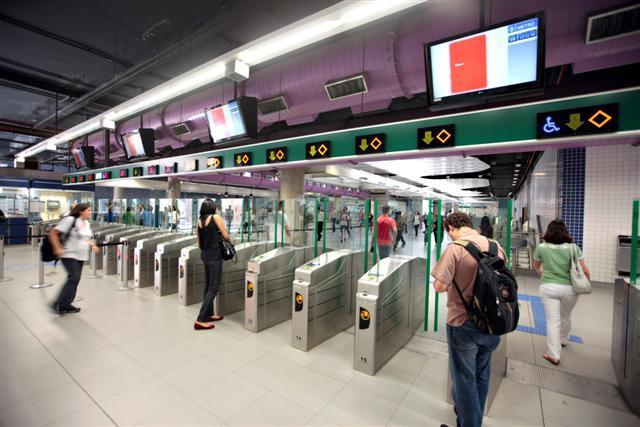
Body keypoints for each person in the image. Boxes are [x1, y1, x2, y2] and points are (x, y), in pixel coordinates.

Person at [432, 212, 507, 427]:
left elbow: (439, 286)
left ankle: (469, 423)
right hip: (492, 323)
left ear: (450, 228)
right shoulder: (495, 246)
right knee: (482, 373)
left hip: (463, 323)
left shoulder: (456, 248)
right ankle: (473, 418)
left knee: (464, 379)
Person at [532, 219, 591, 365]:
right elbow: (585, 271)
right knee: (565, 315)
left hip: (548, 287)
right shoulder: (574, 248)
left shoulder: (541, 248)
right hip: (570, 289)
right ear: (565, 232)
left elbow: (536, 266)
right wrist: (584, 282)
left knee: (553, 321)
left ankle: (554, 354)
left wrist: (543, 275)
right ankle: (564, 339)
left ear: (548, 232)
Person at [49, 204, 99, 314]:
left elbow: (86, 238)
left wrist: (93, 245)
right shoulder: (70, 219)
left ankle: (65, 304)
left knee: (75, 279)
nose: (91, 212)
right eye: (89, 210)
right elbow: (53, 233)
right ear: (81, 211)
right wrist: (57, 248)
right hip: (68, 253)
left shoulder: (86, 223)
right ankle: (59, 303)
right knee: (73, 277)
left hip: (81, 255)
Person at [194, 199, 230, 330]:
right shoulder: (215, 217)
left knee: (208, 285)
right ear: (213, 208)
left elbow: (199, 242)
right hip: (214, 255)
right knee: (214, 287)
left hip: (204, 254)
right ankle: (200, 319)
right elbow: (226, 236)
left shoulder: (199, 221)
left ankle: (209, 314)